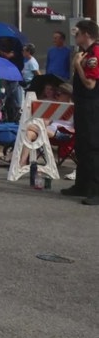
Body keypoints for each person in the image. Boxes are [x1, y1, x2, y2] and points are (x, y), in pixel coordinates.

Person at [65, 19, 99, 204]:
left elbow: (90, 84)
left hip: (92, 105)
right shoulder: (84, 53)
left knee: (93, 147)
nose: (75, 36)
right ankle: (82, 185)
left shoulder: (94, 54)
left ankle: (96, 190)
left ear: (86, 33)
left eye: (77, 33)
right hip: (82, 104)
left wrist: (77, 65)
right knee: (82, 146)